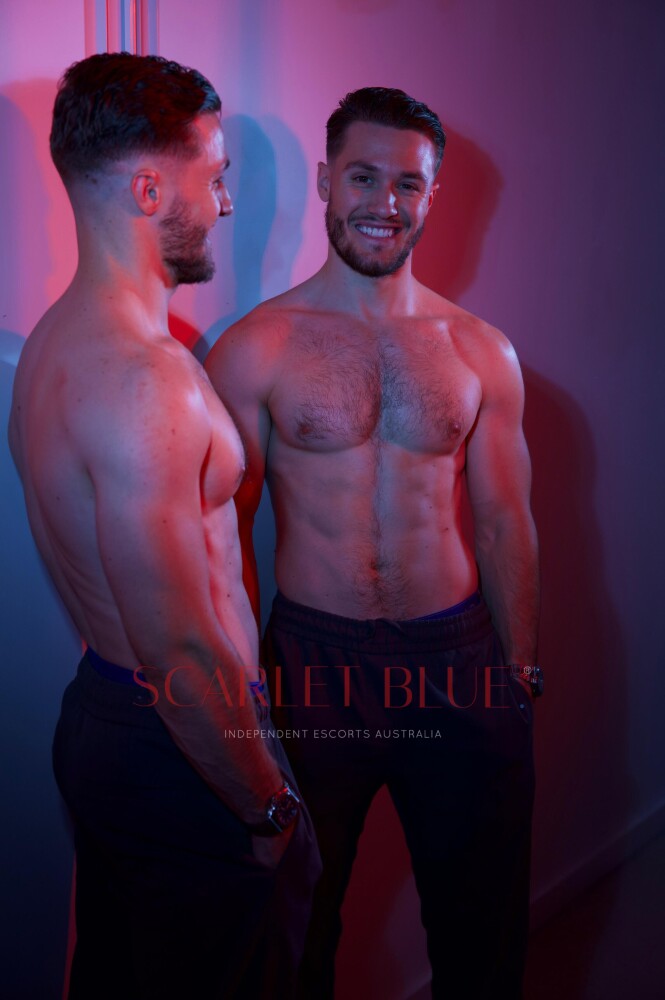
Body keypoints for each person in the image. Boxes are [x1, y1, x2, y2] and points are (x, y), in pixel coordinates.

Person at [206, 87, 541, 999]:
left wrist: (519, 674)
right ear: (325, 182)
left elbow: (506, 519)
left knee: (481, 932)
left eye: (406, 184)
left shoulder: (480, 350)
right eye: (362, 177)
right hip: (314, 663)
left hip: (458, 660)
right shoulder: (254, 347)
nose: (383, 203)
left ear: (431, 196)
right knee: (295, 928)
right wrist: (248, 696)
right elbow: (224, 540)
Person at [8, 53, 320, 1000]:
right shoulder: (148, 382)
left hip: (110, 718)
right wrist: (267, 804)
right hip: (183, 740)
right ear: (149, 190)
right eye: (214, 176)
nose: (224, 204)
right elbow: (179, 645)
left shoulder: (51, 346)